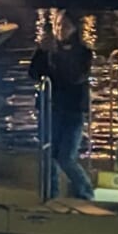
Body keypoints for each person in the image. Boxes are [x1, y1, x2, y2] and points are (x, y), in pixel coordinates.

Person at [29, 16, 95, 199]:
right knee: (49, 157)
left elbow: (75, 77)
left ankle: (85, 190)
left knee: (66, 157)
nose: (61, 29)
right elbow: (34, 73)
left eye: (65, 25)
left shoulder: (84, 53)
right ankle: (52, 195)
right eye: (58, 25)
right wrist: (41, 52)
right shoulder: (48, 51)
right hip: (50, 110)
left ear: (74, 28)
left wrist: (58, 58)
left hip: (72, 111)